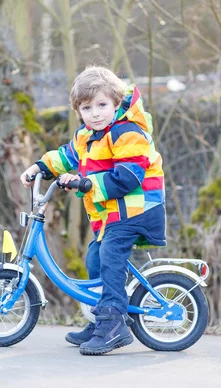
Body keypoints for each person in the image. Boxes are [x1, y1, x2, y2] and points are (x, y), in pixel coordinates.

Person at [20, 66, 166, 356]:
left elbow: (128, 177)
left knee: (111, 256)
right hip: (111, 214)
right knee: (95, 258)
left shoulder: (128, 133)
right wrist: (40, 167)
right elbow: (67, 156)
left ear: (115, 103)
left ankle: (113, 325)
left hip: (137, 209)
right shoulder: (87, 135)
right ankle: (103, 317)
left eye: (102, 105)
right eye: (87, 108)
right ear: (79, 111)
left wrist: (85, 183)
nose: (95, 113)